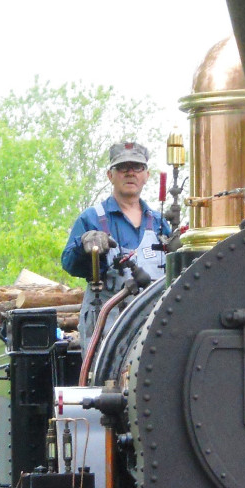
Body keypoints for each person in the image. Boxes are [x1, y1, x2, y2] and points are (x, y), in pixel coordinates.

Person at [62, 140, 170, 346]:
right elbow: (68, 263)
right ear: (110, 175)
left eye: (137, 167)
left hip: (154, 330)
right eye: (122, 168)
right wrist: (83, 246)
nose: (130, 173)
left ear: (147, 175)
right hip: (106, 331)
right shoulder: (92, 218)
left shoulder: (159, 223)